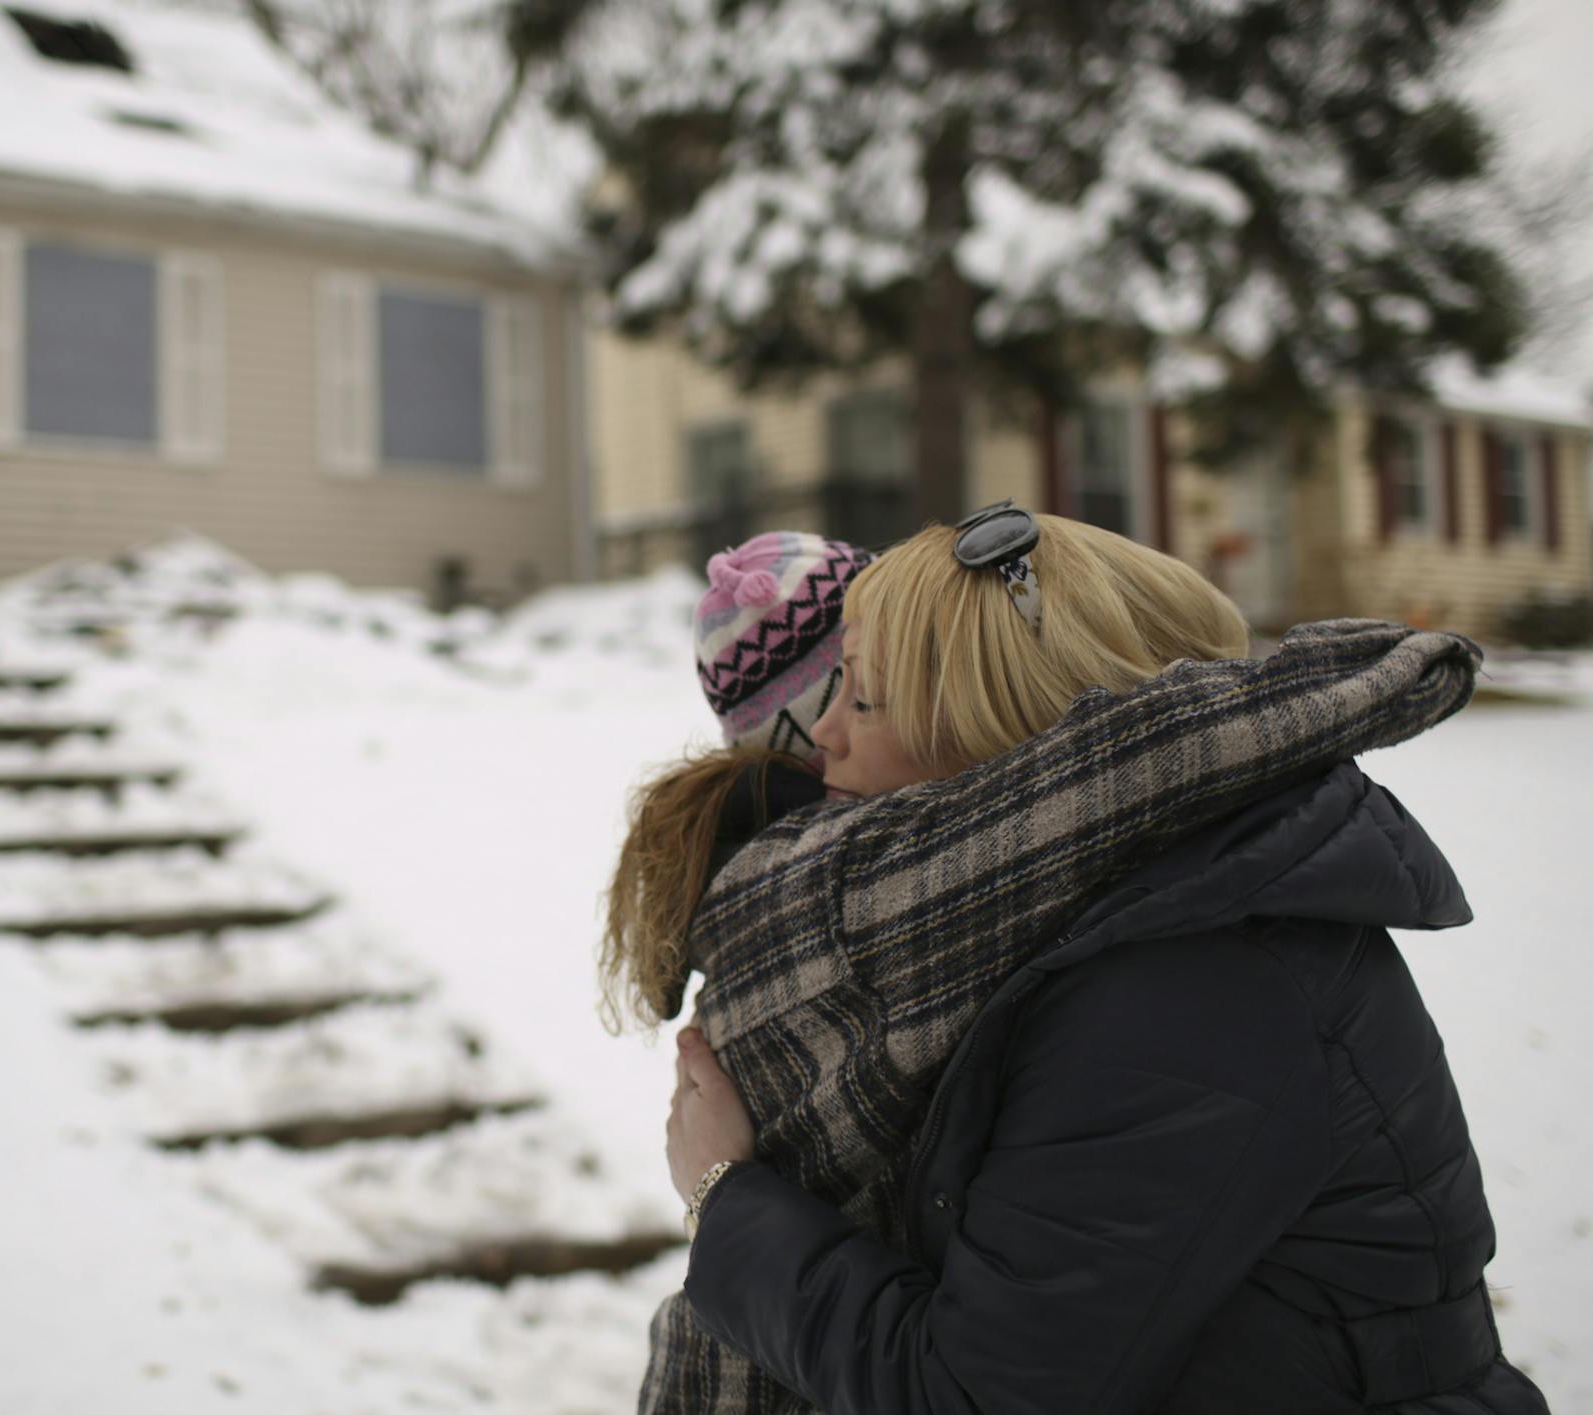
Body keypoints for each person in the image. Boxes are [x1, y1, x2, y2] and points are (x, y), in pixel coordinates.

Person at [642, 505, 1543, 1413]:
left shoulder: (1188, 978)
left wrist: (726, 1197)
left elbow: (974, 1394)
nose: (824, 735)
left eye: (863, 697)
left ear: (1000, 732)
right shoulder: (1113, 912)